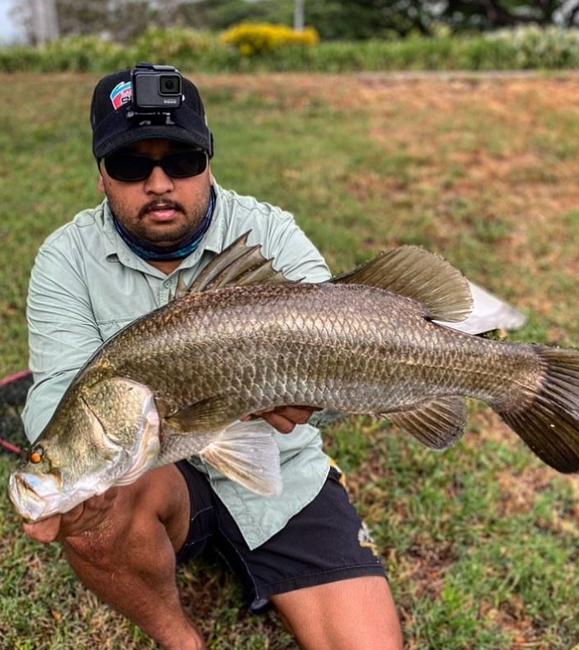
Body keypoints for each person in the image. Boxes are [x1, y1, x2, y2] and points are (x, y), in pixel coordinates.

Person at [20, 65, 403, 650]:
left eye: (181, 161)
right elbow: (55, 392)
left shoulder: (268, 233)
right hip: (155, 474)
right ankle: (181, 640)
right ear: (101, 175)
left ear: (208, 161)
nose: (158, 183)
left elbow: (341, 349)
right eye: (130, 165)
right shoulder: (65, 259)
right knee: (94, 514)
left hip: (283, 477)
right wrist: (72, 470)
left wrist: (312, 403)